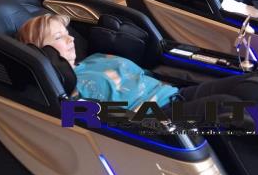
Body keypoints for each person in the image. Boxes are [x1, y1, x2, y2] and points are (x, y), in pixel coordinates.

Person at [17, 13, 179, 109]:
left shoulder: (96, 57)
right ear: (40, 52)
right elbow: (116, 124)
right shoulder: (70, 93)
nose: (71, 39)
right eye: (58, 37)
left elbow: (149, 76)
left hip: (174, 93)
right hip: (164, 116)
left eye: (67, 33)